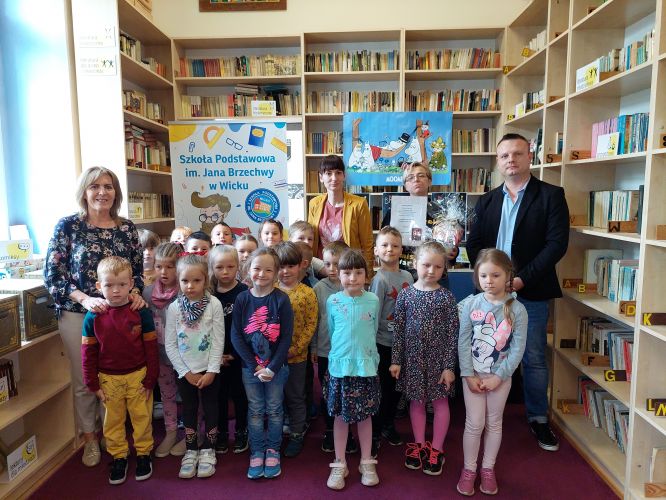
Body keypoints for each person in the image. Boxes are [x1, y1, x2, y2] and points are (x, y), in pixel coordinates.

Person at [466, 133, 569, 451]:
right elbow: (474, 242)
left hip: (531, 290)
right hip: (491, 295)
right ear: (498, 161)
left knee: (533, 356)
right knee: (486, 350)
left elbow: (556, 245)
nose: (511, 159)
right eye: (504, 155)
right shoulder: (487, 200)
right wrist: (487, 279)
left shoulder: (551, 195)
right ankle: (484, 412)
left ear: (529, 157)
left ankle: (538, 418)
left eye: (517, 153)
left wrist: (522, 279)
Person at [45, 166, 146, 467]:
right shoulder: (68, 226)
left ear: (116, 192)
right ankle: (90, 438)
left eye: (108, 186)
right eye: (94, 186)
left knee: (116, 374)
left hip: (121, 315)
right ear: (84, 192)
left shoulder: (127, 228)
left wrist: (135, 292)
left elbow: (138, 271)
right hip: (79, 314)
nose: (102, 192)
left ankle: (111, 434)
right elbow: (53, 274)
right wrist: (85, 299)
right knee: (86, 379)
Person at [456, 248, 528, 496]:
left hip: (500, 378)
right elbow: (463, 342)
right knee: (474, 423)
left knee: (494, 423)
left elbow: (518, 348)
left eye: (495, 275)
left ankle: (487, 468)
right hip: (473, 376)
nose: (489, 281)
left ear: (508, 275)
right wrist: (468, 375)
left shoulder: (517, 309)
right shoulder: (471, 304)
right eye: (484, 275)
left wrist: (499, 377)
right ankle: (469, 469)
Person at [81, 256, 158, 485]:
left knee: (142, 417)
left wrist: (150, 379)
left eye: (122, 284)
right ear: (99, 286)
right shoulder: (93, 316)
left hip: (138, 376)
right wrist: (92, 383)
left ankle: (143, 453)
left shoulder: (140, 311)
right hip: (108, 379)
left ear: (131, 284)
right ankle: (119, 456)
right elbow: (88, 353)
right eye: (109, 285)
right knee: (113, 421)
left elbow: (151, 347)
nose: (116, 290)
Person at [390, 241, 459, 476]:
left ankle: (437, 449)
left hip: (439, 362)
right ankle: (419, 444)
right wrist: (396, 360)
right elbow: (399, 330)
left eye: (438, 267)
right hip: (413, 360)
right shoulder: (406, 295)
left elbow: (452, 334)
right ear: (415, 263)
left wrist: (449, 367)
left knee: (440, 403)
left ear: (444, 269)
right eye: (426, 265)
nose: (431, 271)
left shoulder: (446, 297)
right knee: (416, 402)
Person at [231, 248, 294, 480]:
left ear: (276, 273)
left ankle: (273, 450)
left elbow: (286, 338)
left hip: (277, 369)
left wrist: (272, 368)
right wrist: (255, 366)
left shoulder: (282, 300)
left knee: (275, 409)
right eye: (257, 268)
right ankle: (257, 450)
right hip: (250, 369)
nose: (262, 274)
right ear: (248, 270)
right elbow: (236, 336)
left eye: (268, 270)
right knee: (256, 409)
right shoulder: (242, 299)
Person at [324, 249, 381, 490]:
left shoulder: (373, 300)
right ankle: (340, 462)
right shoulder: (333, 301)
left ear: (366, 275)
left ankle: (366, 461)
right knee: (340, 417)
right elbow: (331, 330)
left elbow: (373, 331)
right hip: (340, 369)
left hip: (365, 368)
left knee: (365, 417)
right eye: (347, 273)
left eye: (358, 273)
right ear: (338, 274)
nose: (353, 278)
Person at [165, 254, 224, 479]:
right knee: (188, 409)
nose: (190, 286)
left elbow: (218, 340)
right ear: (178, 281)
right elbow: (170, 344)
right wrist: (185, 372)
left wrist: (212, 370)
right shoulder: (174, 308)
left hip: (209, 370)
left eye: (196, 281)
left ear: (205, 280)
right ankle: (191, 450)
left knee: (211, 407)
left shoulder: (214, 304)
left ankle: (209, 449)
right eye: (185, 281)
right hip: (185, 372)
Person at [370, 226, 413, 454]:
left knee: (397, 389)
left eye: (395, 245)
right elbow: (374, 314)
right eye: (385, 245)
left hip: (402, 343)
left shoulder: (408, 276)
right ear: (376, 250)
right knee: (382, 389)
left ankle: (388, 424)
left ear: (401, 249)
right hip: (383, 343)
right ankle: (375, 430)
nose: (390, 249)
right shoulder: (379, 280)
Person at [381, 162, 459, 286]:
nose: (416, 179)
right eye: (410, 177)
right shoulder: (395, 211)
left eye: (421, 175)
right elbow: (384, 242)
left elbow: (450, 245)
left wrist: (453, 252)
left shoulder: (442, 212)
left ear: (429, 181)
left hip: (434, 275)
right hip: (402, 275)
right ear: (405, 185)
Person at [274, 242, 318, 458]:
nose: (285, 271)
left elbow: (311, 324)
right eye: (281, 267)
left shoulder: (307, 293)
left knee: (295, 395)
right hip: (273, 357)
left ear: (300, 266)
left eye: (290, 266)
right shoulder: (271, 291)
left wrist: (296, 349)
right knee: (276, 396)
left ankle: (297, 433)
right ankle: (281, 426)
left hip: (296, 357)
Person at [208, 245, 249, 455]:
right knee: (219, 396)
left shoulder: (244, 292)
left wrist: (234, 353)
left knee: (240, 394)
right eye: (219, 267)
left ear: (238, 266)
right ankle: (222, 432)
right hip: (215, 357)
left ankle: (242, 430)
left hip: (238, 355)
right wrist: (215, 356)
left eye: (230, 267)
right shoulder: (209, 293)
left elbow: (246, 327)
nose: (225, 272)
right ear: (212, 268)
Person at [143, 242, 183, 458]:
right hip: (160, 353)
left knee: (190, 395)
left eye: (170, 266)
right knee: (167, 394)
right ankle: (170, 432)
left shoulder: (186, 291)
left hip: (185, 355)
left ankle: (194, 432)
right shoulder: (148, 293)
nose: (164, 272)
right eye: (159, 266)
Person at [311, 241, 349, 453]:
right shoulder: (319, 288)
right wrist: (314, 348)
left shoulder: (352, 287)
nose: (332, 269)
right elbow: (315, 321)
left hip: (347, 353)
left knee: (347, 391)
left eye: (337, 263)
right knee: (328, 392)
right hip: (326, 351)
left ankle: (347, 431)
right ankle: (329, 429)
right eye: (327, 264)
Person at [307, 155, 373, 274]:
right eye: (329, 173)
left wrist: (367, 274)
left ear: (344, 176)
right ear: (321, 177)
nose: (334, 178)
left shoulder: (359, 204)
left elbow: (367, 244)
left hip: (349, 270)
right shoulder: (314, 204)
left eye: (338, 173)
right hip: (321, 270)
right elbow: (311, 239)